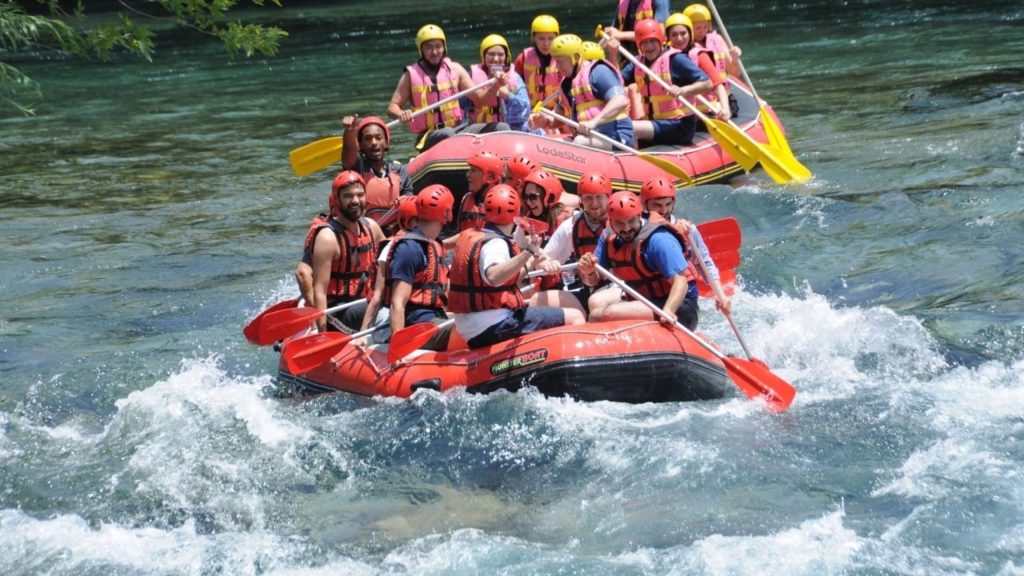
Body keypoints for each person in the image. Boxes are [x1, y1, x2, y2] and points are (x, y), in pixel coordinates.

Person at [448, 185, 585, 348]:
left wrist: (531, 261)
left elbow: (507, 278)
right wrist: (527, 252)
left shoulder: (478, 236)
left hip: (471, 327)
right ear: (515, 214)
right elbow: (493, 276)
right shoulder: (496, 243)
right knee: (575, 316)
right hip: (494, 325)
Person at [577, 190, 700, 329]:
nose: (627, 228)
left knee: (602, 315)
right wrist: (588, 272)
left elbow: (681, 281)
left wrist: (668, 311)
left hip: (679, 306)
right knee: (594, 301)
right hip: (645, 299)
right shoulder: (608, 237)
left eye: (631, 221)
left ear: (639, 216)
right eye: (619, 223)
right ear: (610, 222)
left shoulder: (659, 239)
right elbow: (593, 281)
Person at [606, 19, 712, 146]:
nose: (649, 47)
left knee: (629, 128)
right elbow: (615, 83)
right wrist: (613, 54)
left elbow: (707, 83)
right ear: (639, 45)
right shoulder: (638, 63)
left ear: (660, 40)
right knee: (618, 127)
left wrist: (682, 91)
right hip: (655, 125)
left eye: (652, 41)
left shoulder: (676, 59)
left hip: (679, 125)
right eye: (644, 43)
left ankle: (633, 162)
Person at [639, 177, 731, 314]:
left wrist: (720, 294)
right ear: (645, 205)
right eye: (657, 205)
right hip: (647, 295)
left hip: (678, 297)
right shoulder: (636, 229)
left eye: (668, 204)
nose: (664, 210)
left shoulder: (688, 230)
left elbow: (704, 262)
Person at [311, 171, 386, 332]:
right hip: (339, 312)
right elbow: (319, 291)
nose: (355, 201)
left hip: (365, 301)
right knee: (391, 304)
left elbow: (392, 258)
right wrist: (322, 335)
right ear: (337, 200)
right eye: (348, 196)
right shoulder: (328, 238)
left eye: (360, 195)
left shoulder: (372, 227)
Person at [382, 185, 455, 351]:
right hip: (417, 327)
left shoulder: (434, 243)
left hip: (435, 316)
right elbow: (397, 303)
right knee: (469, 331)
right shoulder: (410, 249)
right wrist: (397, 349)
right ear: (446, 214)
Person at [530, 34, 633, 150]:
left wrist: (594, 122)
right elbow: (561, 116)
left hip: (616, 137)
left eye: (560, 62)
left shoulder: (599, 72)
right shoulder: (566, 84)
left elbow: (620, 101)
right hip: (587, 138)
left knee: (579, 142)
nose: (557, 68)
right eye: (555, 62)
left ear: (577, 57)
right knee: (547, 144)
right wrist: (545, 120)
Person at [528, 171, 612, 313]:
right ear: (581, 200)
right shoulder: (571, 225)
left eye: (599, 197)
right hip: (590, 288)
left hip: (618, 288)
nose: (594, 203)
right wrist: (547, 264)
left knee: (595, 303)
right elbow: (543, 259)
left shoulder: (620, 222)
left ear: (608, 198)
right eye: (588, 198)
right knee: (537, 300)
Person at [387, 24, 474, 151]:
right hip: (428, 136)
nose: (434, 52)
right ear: (421, 50)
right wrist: (401, 114)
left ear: (444, 47)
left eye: (438, 46)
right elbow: (391, 107)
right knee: (448, 133)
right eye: (429, 47)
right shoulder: (410, 75)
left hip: (459, 128)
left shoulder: (455, 69)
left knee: (499, 127)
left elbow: (480, 97)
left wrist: (496, 85)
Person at [360, 195, 420, 333]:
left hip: (414, 312)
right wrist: (363, 333)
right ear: (408, 221)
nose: (425, 224)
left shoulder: (425, 246)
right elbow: (377, 295)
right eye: (419, 220)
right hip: (387, 314)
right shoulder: (391, 249)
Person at [339, 115, 414, 223]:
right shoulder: (356, 167)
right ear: (360, 145)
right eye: (368, 139)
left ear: (386, 143)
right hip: (364, 230)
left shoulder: (399, 171)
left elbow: (409, 199)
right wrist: (349, 131)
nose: (374, 143)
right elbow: (349, 152)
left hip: (393, 232)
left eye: (378, 138)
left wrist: (406, 200)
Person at [665, 12, 737, 121]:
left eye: (683, 33)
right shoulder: (665, 57)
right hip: (678, 114)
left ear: (690, 34)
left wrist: (725, 109)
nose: (679, 38)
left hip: (704, 112)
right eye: (674, 35)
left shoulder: (699, 55)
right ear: (668, 37)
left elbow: (718, 85)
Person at [463, 34, 533, 134]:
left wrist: (507, 96)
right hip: (479, 130)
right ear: (483, 56)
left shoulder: (514, 77)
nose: (496, 59)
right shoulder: (471, 76)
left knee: (536, 130)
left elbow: (525, 109)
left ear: (506, 57)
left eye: (500, 55)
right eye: (491, 54)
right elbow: (461, 107)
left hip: (508, 128)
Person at [513, 14, 562, 109]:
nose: (546, 43)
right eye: (541, 38)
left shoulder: (564, 58)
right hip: (531, 111)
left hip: (557, 112)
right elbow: (515, 89)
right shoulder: (522, 59)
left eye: (551, 38)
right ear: (533, 38)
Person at [683, 3, 741, 77]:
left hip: (721, 87)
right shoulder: (683, 45)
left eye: (705, 26)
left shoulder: (717, 40)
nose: (702, 31)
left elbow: (734, 73)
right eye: (698, 28)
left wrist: (735, 58)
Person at [456, 150, 505, 233]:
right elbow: (462, 235)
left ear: (490, 177)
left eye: (473, 170)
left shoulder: (503, 205)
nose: (467, 174)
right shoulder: (466, 199)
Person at [604, 0, 670, 58]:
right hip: (628, 59)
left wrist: (621, 35)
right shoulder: (623, 3)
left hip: (651, 57)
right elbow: (612, 33)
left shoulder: (661, 1)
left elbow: (660, 33)